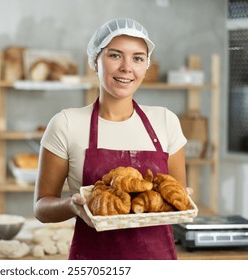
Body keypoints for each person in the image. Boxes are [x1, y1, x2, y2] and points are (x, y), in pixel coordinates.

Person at [33, 18, 187, 260]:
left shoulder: (166, 121)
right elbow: (41, 207)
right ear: (95, 60)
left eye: (137, 58)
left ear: (146, 65)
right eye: (115, 55)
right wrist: (72, 206)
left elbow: (177, 200)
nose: (127, 67)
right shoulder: (66, 123)